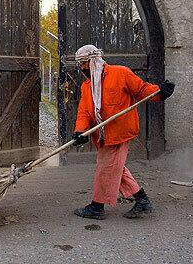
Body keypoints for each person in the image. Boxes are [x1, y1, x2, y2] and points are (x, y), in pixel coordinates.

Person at [71, 44, 175, 220]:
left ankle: (97, 207)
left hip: (119, 132)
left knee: (106, 168)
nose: (82, 68)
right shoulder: (87, 86)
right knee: (115, 168)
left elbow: (142, 90)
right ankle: (141, 199)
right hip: (102, 135)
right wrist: (80, 132)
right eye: (79, 64)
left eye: (84, 63)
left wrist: (160, 92)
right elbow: (84, 112)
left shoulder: (120, 73)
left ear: (94, 60)